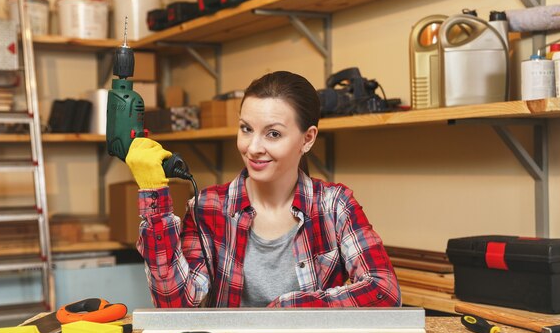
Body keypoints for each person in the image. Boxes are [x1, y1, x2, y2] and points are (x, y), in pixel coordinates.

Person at [126, 71, 401, 308]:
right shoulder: (206, 207)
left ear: (307, 139)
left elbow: (384, 291)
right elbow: (177, 305)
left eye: (273, 134)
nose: (253, 147)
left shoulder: (334, 206)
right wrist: (155, 203)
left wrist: (288, 308)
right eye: (246, 129)